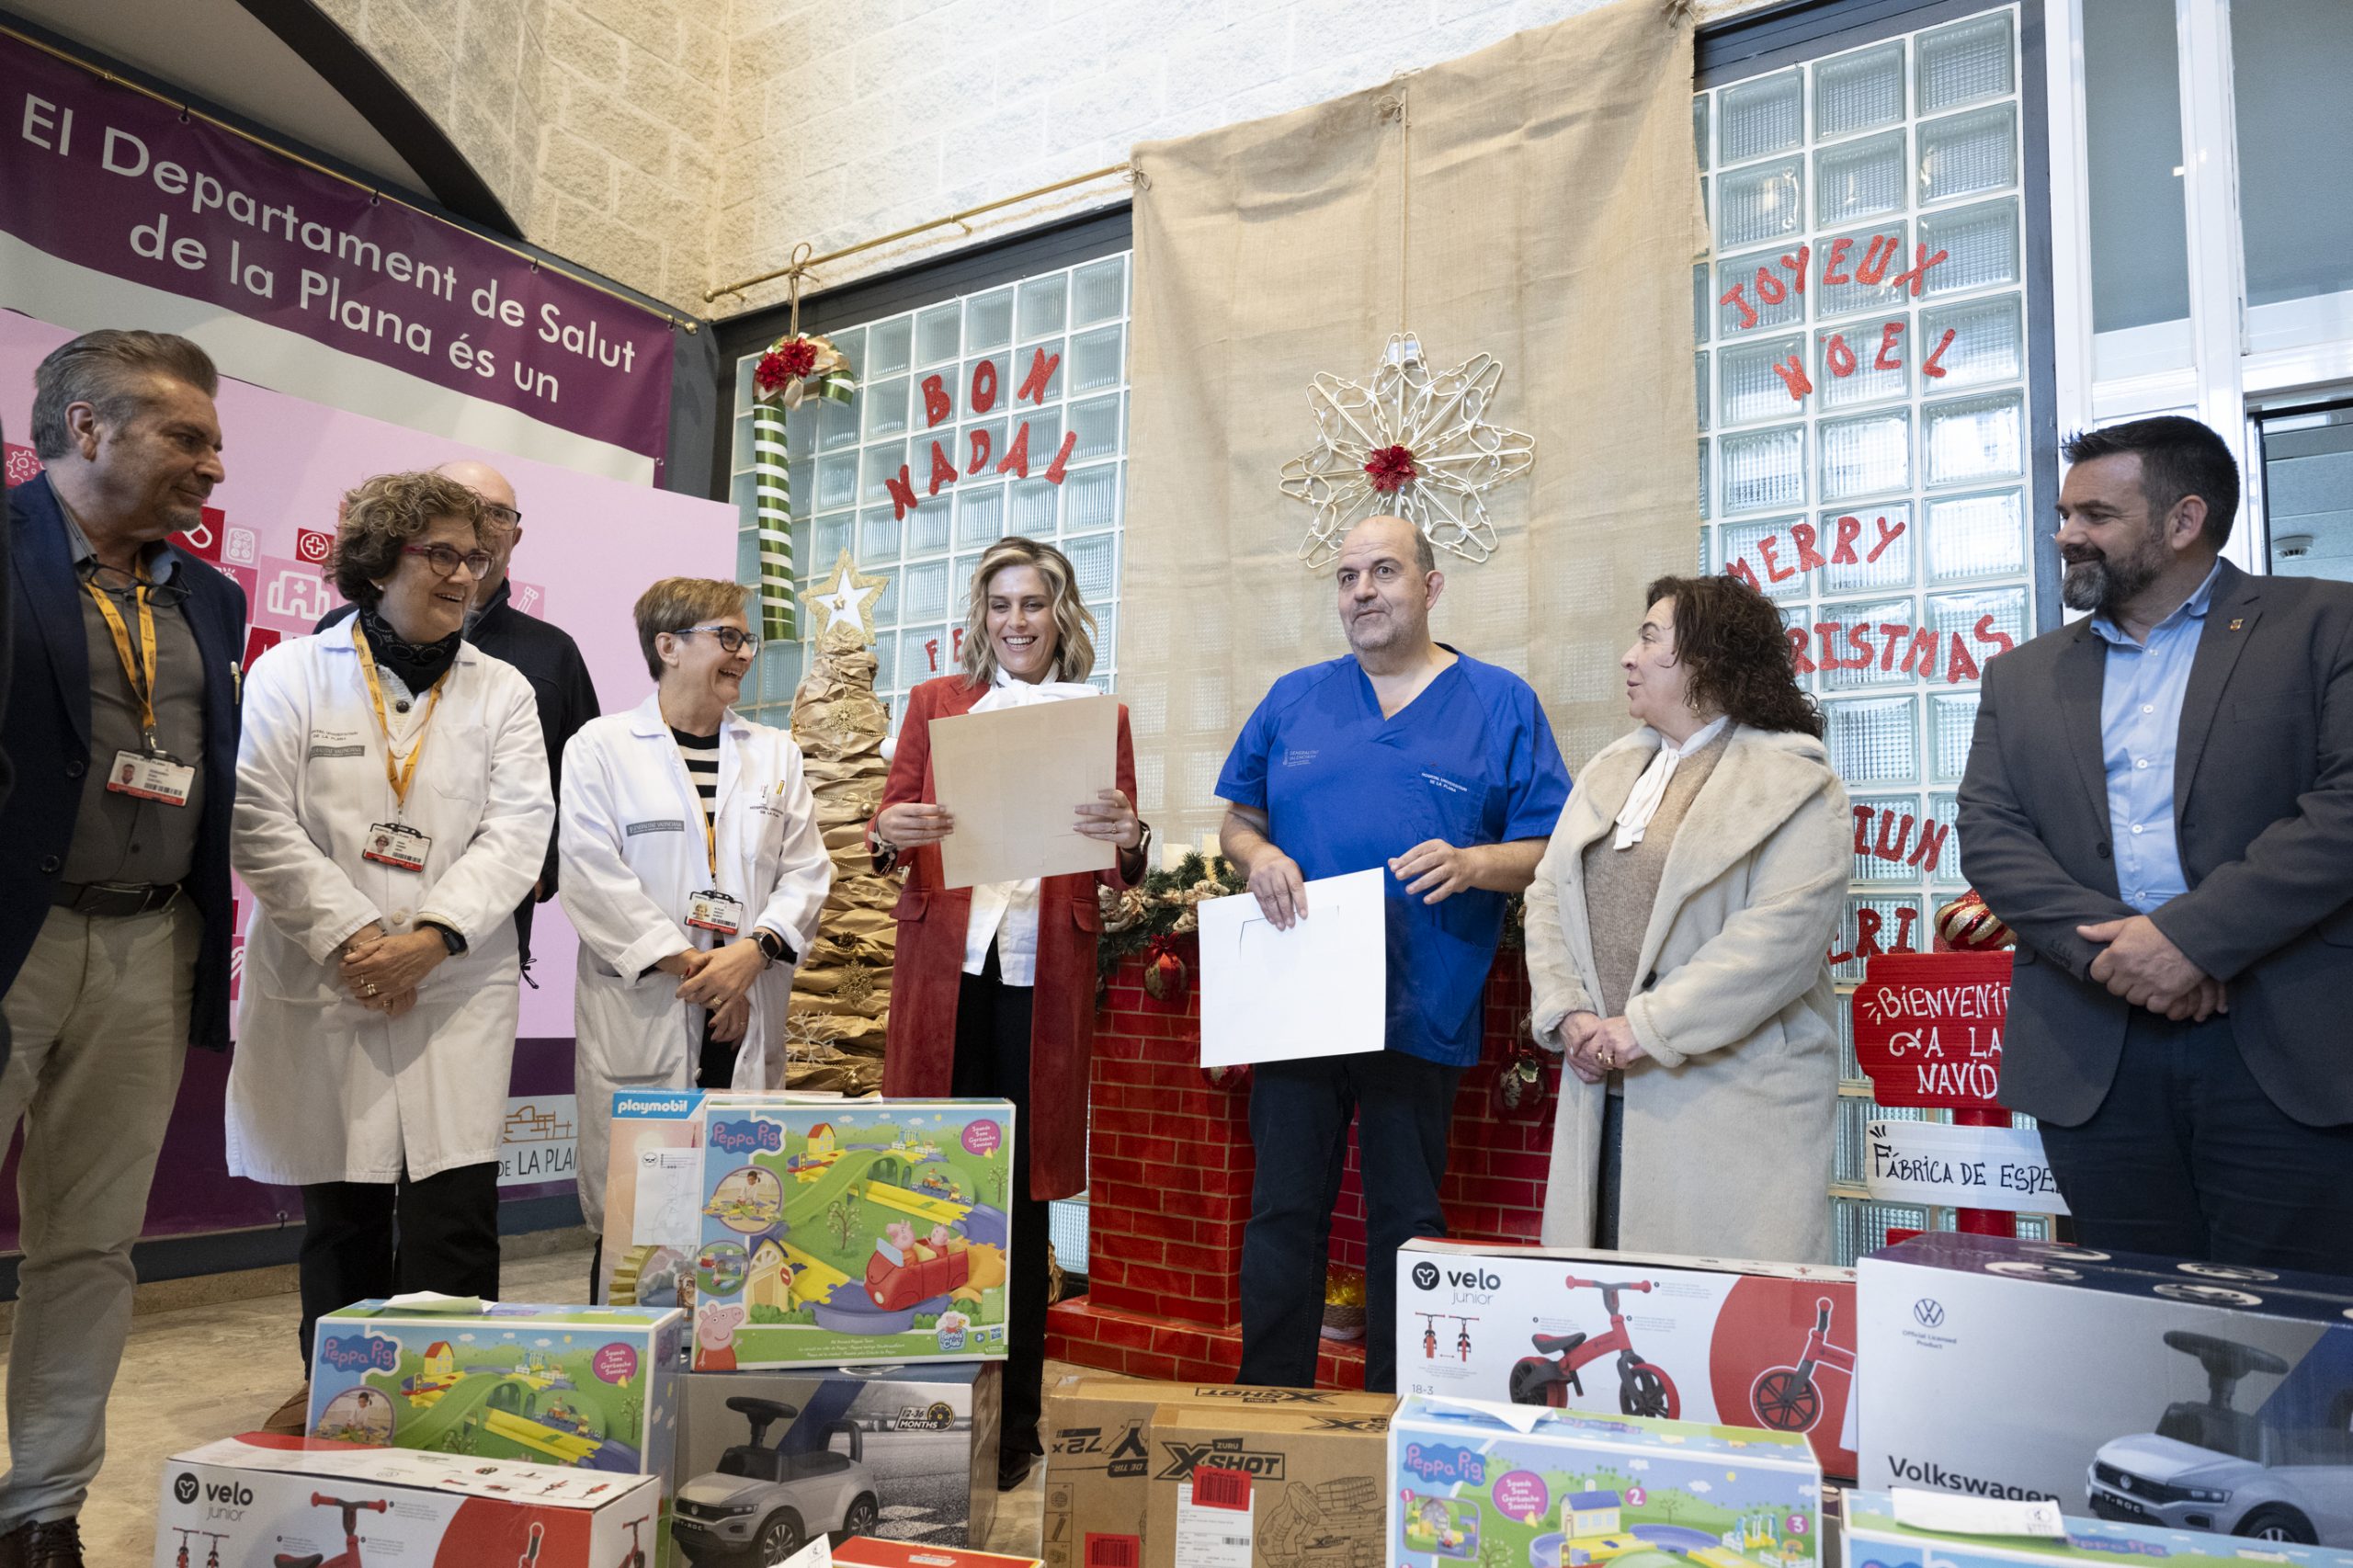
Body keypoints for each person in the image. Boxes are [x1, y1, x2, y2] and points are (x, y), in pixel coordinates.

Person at [1959, 415, 2353, 1269]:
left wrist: (2188, 941)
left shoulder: (2326, 624)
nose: (2067, 535)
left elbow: (2344, 808)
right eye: (2065, 515)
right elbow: (1989, 835)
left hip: (2284, 1045)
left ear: (2184, 521)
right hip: (2094, 1047)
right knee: (2129, 1337)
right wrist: (2121, 956)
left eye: (2095, 516)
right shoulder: (2021, 675)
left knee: (2296, 1343)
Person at [1217, 514, 1570, 1394]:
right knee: (1283, 1215)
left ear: (1431, 586)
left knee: (1405, 1223)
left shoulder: (1499, 703)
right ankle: (1272, 1407)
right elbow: (1238, 819)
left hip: (1423, 1006)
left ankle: (1393, 1417)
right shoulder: (1294, 699)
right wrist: (1259, 858)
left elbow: (1551, 846)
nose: (1362, 592)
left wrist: (1474, 862)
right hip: (1299, 1000)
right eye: (1347, 577)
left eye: (1383, 571)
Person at [230, 471, 551, 1426]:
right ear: (381, 558)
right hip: (333, 975)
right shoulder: (294, 673)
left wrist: (432, 937)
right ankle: (345, 1403)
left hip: (454, 982)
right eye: (440, 553)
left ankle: (448, 1411)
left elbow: (520, 828)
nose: (464, 573)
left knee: (454, 1209)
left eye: (476, 557)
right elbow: (259, 818)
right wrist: (355, 939)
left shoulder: (505, 691)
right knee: (344, 1207)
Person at [0, 330, 242, 1568]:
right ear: (85, 426)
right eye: (185, 436)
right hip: (12, 943)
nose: (212, 462)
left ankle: (42, 1507)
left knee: (90, 1243)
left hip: (150, 948)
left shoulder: (212, 596)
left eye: (212, 439)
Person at [869, 536, 1146, 1489]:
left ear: (1060, 615)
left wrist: (1131, 835)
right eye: (1000, 605)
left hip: (1043, 979)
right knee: (935, 1182)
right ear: (980, 616)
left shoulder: (1098, 716)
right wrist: (887, 829)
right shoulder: (934, 704)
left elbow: (1121, 853)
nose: (1016, 621)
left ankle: (1017, 1420)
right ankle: (924, 1407)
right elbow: (888, 821)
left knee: (1023, 1199)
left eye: (1033, 604)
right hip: (948, 970)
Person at [1522, 574, 1847, 1261]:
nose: (1627, 657)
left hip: (1729, 1101)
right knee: (1609, 1310)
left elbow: (1777, 943)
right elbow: (1548, 895)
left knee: (1716, 1321)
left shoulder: (1797, 782)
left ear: (1708, 658)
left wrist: (1644, 1028)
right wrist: (1570, 1011)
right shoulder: (1610, 770)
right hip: (1600, 1086)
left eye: (1649, 638)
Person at [559, 577, 831, 1288]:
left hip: (748, 1004)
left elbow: (806, 871)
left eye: (747, 640)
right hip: (652, 1006)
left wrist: (754, 952)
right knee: (636, 1226)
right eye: (728, 637)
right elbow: (592, 877)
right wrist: (704, 975)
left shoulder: (775, 754)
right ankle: (631, 1379)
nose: (744, 654)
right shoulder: (602, 747)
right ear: (668, 646)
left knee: (739, 1211)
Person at [318, 459, 598, 975]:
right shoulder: (339, 633)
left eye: (496, 513)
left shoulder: (551, 652)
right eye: (458, 505)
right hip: (350, 899)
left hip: (482, 916)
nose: (478, 524)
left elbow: (581, 777)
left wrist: (545, 865)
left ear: (516, 534)